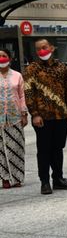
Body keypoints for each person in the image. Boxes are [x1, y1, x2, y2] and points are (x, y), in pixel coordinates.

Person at [23, 38, 67, 195]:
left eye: (44, 47)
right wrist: (34, 114)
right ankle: (45, 182)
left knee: (58, 148)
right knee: (44, 149)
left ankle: (58, 178)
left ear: (52, 48)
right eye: (39, 48)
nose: (42, 50)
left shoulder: (61, 67)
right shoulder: (31, 69)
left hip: (60, 114)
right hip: (42, 117)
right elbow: (28, 92)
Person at [0, 50, 28, 188]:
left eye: (4, 56)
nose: (1, 58)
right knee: (1, 148)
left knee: (16, 147)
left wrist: (24, 113)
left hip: (15, 117)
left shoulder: (17, 76)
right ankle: (4, 178)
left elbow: (22, 95)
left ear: (9, 59)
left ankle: (17, 177)